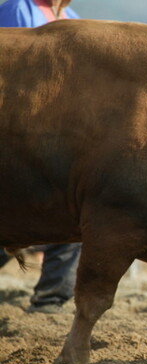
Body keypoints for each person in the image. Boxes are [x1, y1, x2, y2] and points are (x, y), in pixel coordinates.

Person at [0, 0, 81, 314]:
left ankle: (52, 300)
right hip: (20, 131)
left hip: (56, 131)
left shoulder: (71, 17)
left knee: (69, 214)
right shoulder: (18, 10)